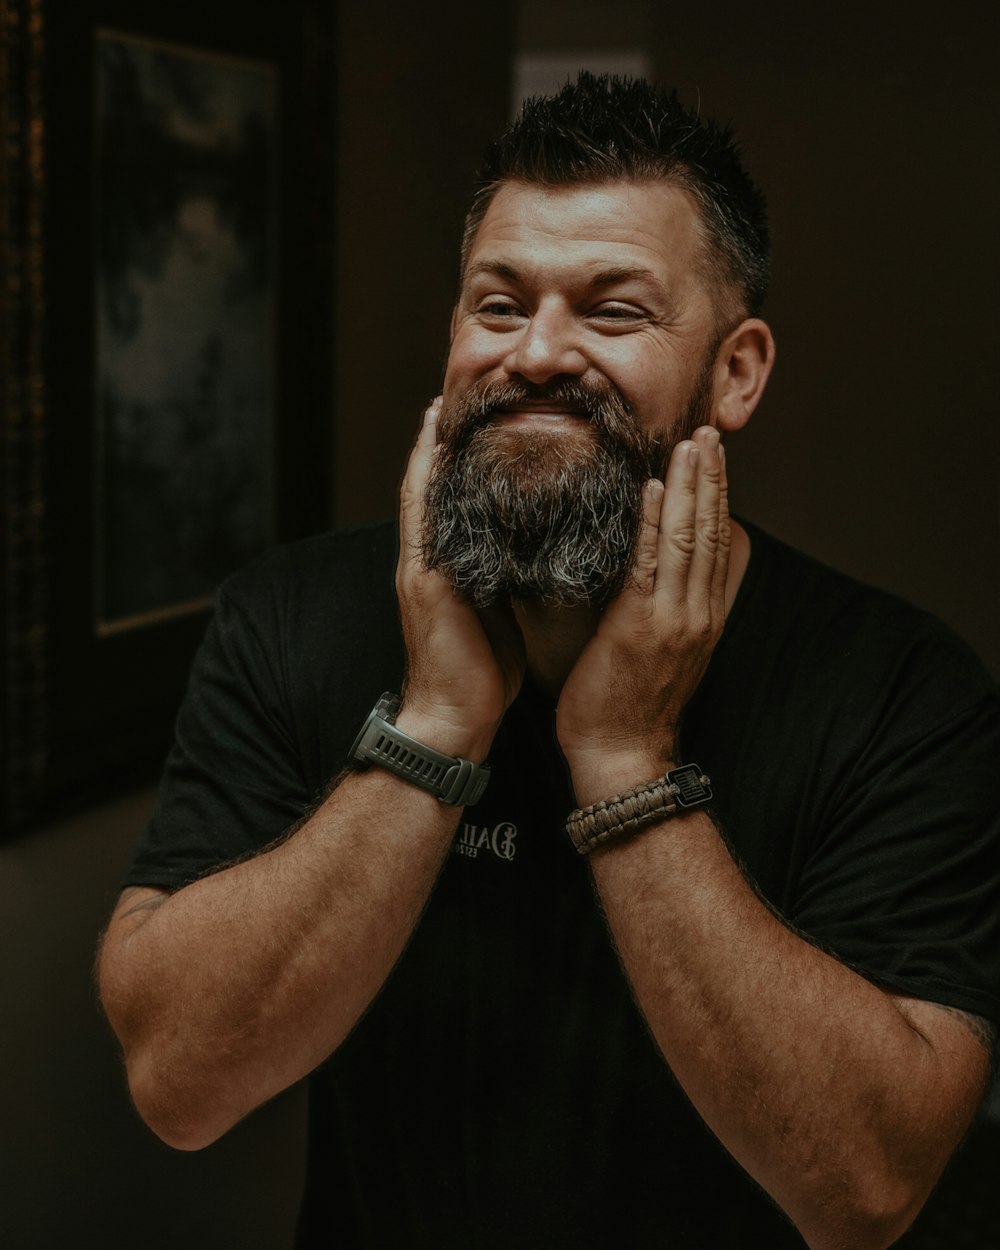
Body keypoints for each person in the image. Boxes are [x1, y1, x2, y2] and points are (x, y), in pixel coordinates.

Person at [98, 74, 1000, 1250]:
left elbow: (866, 1189)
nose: (535, 352)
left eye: (613, 310)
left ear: (736, 371)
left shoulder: (900, 690)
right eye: (497, 302)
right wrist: (431, 727)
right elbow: (178, 1083)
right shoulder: (290, 615)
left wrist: (623, 755)